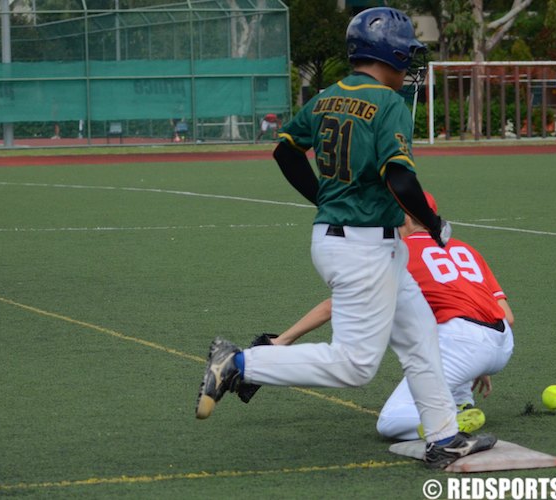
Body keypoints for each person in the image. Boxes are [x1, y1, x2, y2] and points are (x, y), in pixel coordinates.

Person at [194, 7, 496, 469]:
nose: (409, 62)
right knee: (355, 365)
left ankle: (444, 437)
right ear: (388, 52)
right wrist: (434, 225)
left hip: (354, 240)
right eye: (405, 52)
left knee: (419, 339)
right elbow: (399, 178)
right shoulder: (389, 102)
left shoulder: (326, 97)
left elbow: (286, 152)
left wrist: (324, 199)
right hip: (363, 246)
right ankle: (239, 363)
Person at [247, 192, 514, 441]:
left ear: (406, 217)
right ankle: (460, 399)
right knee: (426, 324)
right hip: (501, 341)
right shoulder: (465, 248)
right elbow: (506, 316)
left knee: (390, 421)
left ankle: (450, 421)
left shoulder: (398, 252)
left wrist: (282, 341)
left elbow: (335, 305)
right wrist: (477, 359)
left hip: (463, 342)